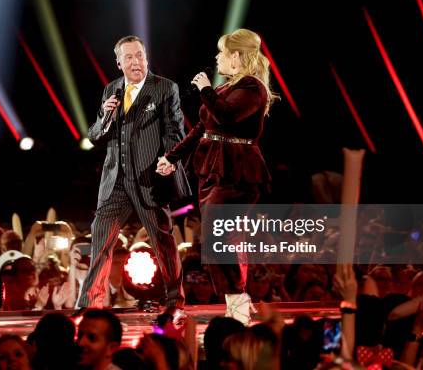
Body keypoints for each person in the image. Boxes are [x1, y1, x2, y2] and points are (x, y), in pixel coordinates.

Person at [78, 35, 191, 317]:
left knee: (162, 240)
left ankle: (175, 301)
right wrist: (105, 118)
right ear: (119, 63)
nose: (135, 61)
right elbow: (94, 136)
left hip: (148, 180)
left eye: (139, 55)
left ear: (146, 58)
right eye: (128, 57)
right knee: (100, 240)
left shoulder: (164, 88)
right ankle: (89, 304)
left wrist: (171, 159)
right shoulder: (111, 90)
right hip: (115, 181)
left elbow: (174, 129)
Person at [157, 28, 277, 294]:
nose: (217, 57)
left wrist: (206, 90)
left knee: (220, 236)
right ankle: (235, 301)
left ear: (236, 56)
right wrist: (172, 157)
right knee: (217, 238)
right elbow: (201, 128)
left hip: (237, 171)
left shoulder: (252, 87)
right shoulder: (225, 88)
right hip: (212, 169)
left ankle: (238, 300)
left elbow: (227, 116)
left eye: (222, 53)